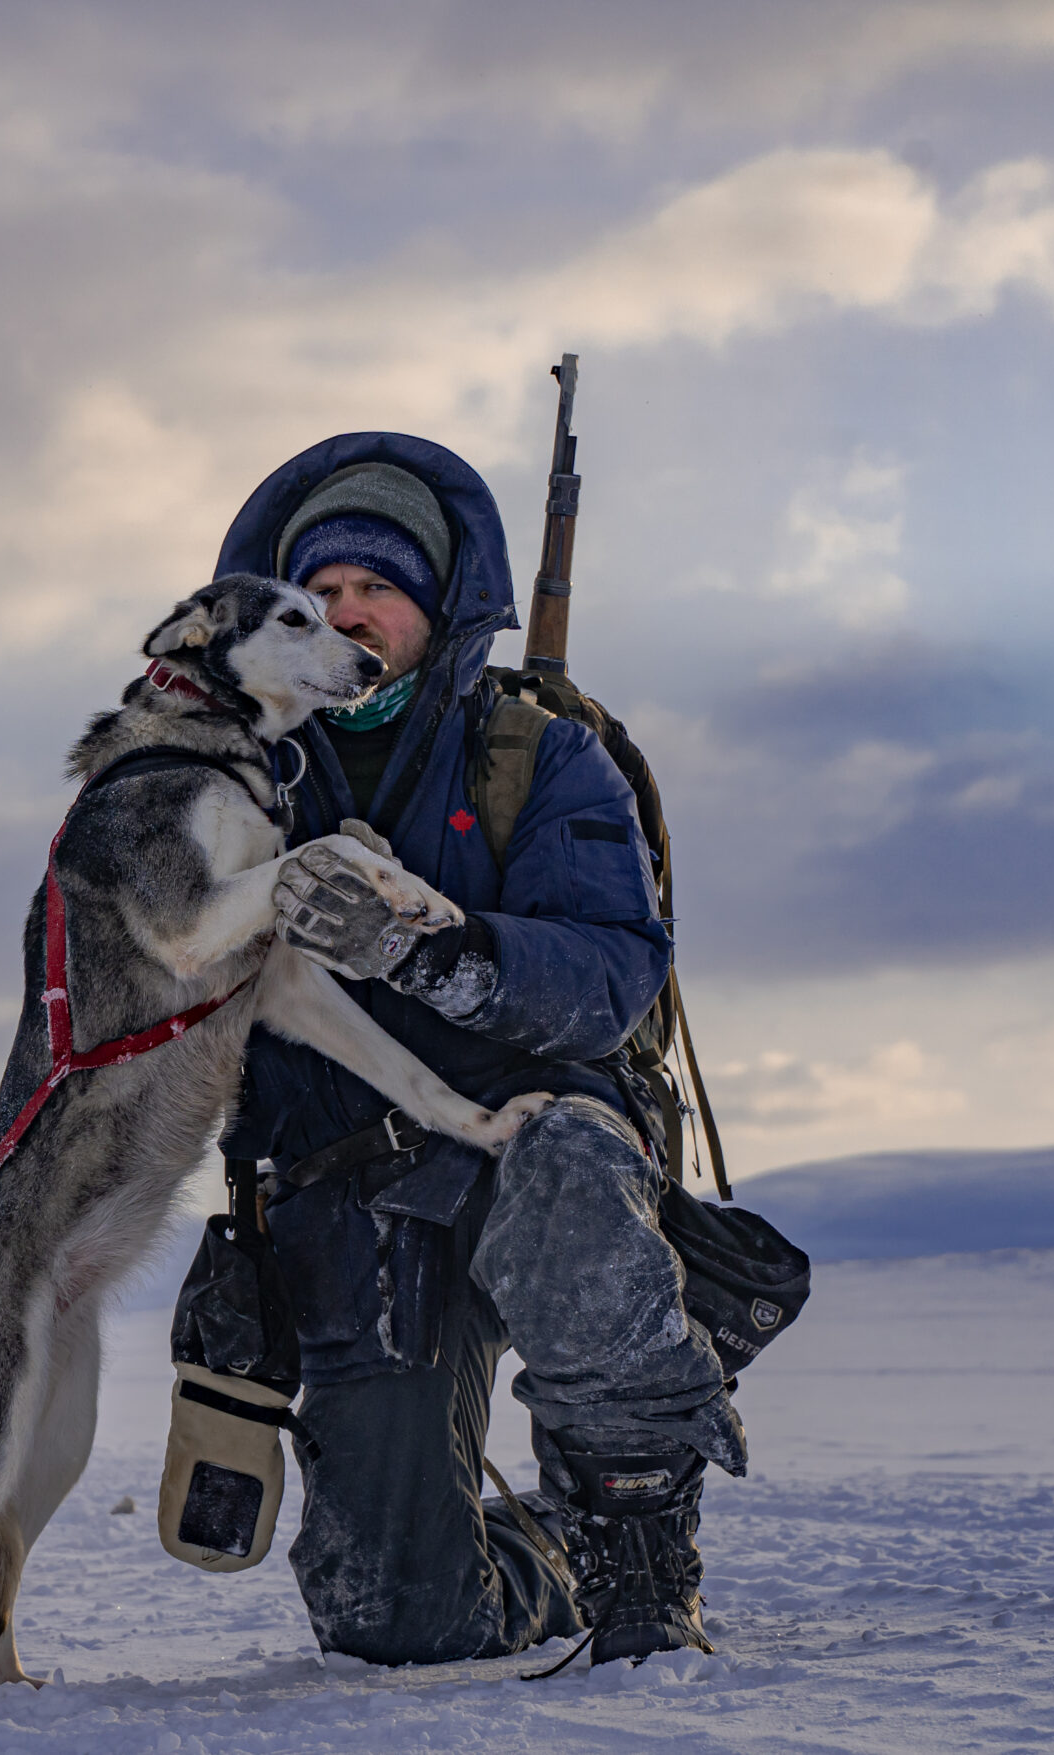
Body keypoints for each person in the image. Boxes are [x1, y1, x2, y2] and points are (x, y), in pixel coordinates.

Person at [211, 434, 742, 1667]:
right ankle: (547, 1551)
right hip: (350, 1191)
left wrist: (431, 949)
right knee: (392, 1620)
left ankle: (640, 1558)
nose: (347, 615)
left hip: (532, 1146)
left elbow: (611, 976)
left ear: (436, 610)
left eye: (375, 592)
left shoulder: (537, 756)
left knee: (565, 1161)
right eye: (316, 596)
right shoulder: (225, 781)